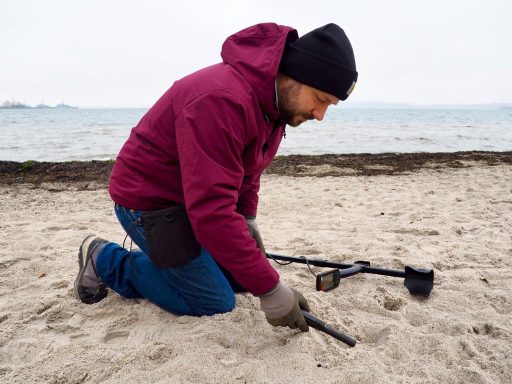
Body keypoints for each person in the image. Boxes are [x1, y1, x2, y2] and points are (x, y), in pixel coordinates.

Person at [74, 22, 357, 333]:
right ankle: (105, 259)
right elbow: (212, 212)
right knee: (214, 302)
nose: (320, 114)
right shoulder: (222, 99)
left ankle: (174, 262)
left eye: (329, 106)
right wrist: (272, 291)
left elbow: (249, 171)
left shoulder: (273, 107)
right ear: (294, 75)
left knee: (240, 279)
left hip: (191, 200)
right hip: (151, 204)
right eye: (319, 99)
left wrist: (247, 217)